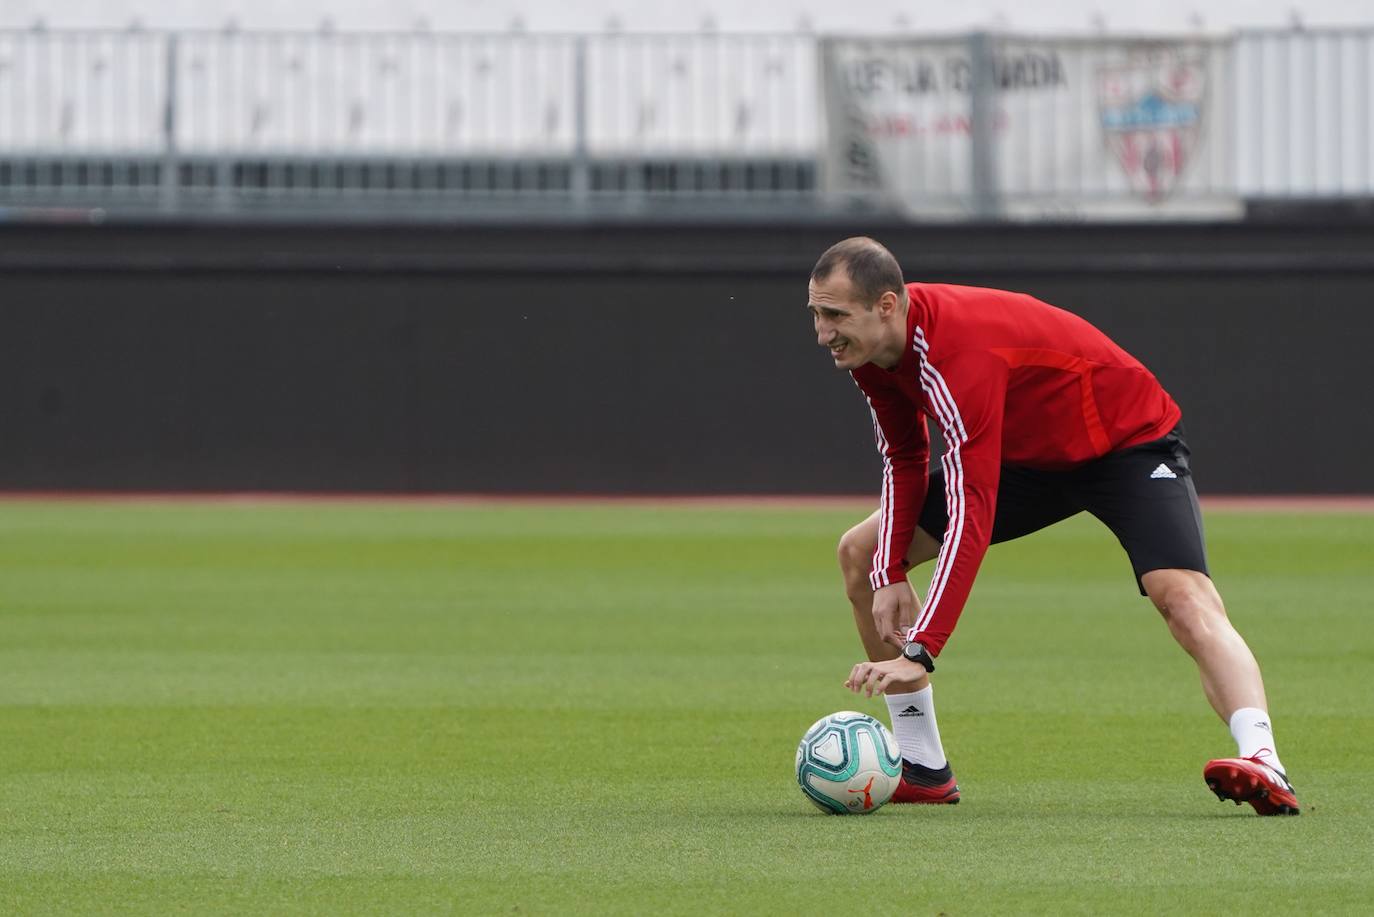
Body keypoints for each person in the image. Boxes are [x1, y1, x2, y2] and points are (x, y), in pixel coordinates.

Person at [809, 236, 1299, 815]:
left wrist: (920, 649)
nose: (822, 332)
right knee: (861, 556)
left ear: (886, 305)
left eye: (835, 314)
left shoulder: (957, 352)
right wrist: (889, 569)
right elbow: (904, 456)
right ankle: (922, 766)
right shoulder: (873, 355)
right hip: (1029, 460)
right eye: (816, 313)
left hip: (1128, 444)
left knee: (1183, 596)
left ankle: (1264, 759)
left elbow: (972, 510)